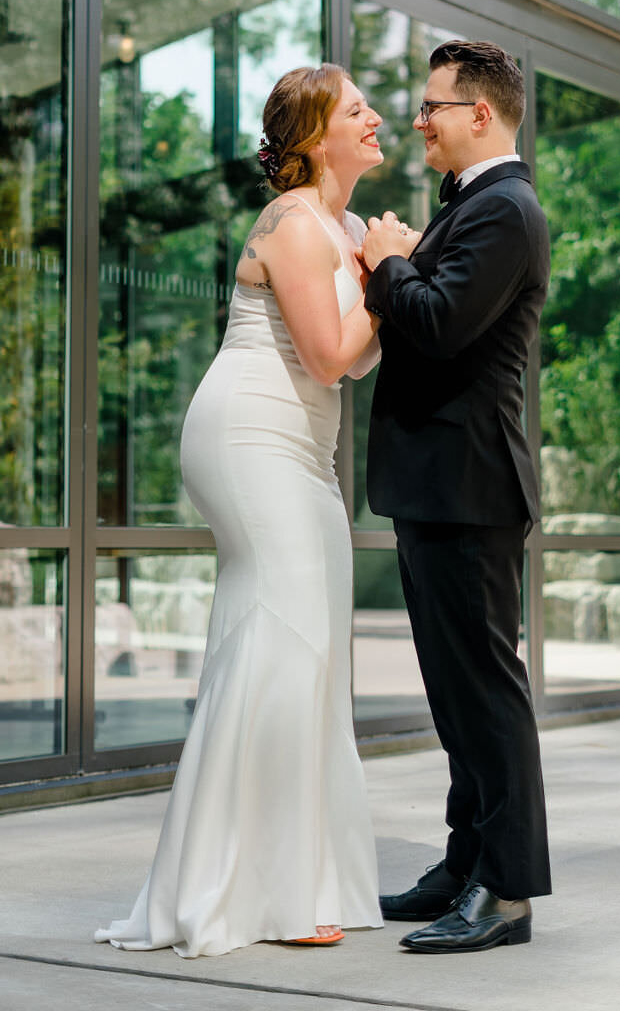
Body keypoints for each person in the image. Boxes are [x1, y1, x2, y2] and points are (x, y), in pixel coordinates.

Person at [97, 64, 399, 957]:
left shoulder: (343, 226)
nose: (376, 118)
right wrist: (393, 276)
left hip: (306, 450)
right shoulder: (295, 224)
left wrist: (385, 267)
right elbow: (331, 356)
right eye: (357, 109)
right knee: (285, 638)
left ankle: (297, 877)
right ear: (313, 138)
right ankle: (256, 890)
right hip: (249, 435)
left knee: (305, 647)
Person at [361, 39, 551, 954]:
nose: (418, 121)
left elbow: (435, 326)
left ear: (480, 114)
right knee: (453, 694)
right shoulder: (472, 204)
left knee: (485, 693)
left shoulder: (506, 210)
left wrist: (388, 261)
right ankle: (464, 861)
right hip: (437, 486)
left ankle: (506, 894)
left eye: (431, 105)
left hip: (472, 489)